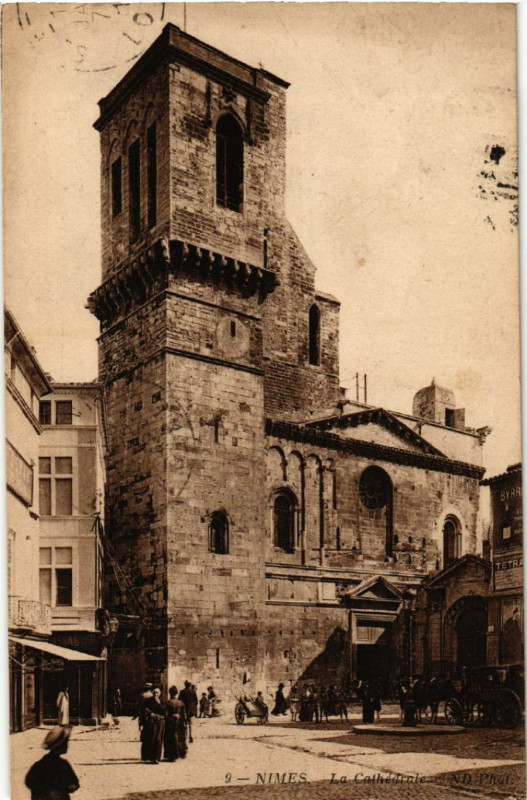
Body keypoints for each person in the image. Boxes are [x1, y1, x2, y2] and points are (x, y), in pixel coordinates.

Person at [25, 725, 79, 800]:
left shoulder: (39, 765)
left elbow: (29, 782)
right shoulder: (63, 765)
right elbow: (74, 785)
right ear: (60, 746)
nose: (67, 745)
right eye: (66, 742)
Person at [139, 687, 165, 764]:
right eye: (154, 693)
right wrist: (142, 722)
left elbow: (165, 712)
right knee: (151, 739)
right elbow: (143, 711)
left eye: (157, 693)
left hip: (160, 722)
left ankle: (157, 758)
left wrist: (159, 704)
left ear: (160, 693)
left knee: (158, 739)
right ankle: (150, 757)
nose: (155, 694)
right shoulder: (147, 701)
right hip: (150, 722)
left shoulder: (162, 701)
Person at [164, 686, 187, 762]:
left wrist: (171, 716)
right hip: (179, 722)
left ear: (170, 693)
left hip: (170, 723)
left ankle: (171, 755)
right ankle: (181, 753)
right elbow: (184, 715)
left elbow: (165, 714)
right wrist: (180, 717)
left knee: (170, 738)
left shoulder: (167, 702)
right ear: (176, 693)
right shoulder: (181, 702)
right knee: (180, 738)